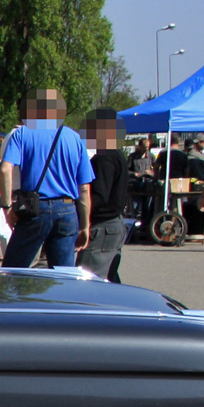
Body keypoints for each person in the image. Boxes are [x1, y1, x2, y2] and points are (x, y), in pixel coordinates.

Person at [0, 88, 94, 269]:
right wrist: (85, 225)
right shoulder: (75, 138)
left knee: (13, 271)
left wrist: (7, 208)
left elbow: (5, 170)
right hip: (67, 208)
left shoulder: (22, 134)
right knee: (63, 275)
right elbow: (84, 189)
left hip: (35, 208)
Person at [78, 109, 131, 282]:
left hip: (102, 226)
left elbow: (100, 196)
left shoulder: (104, 157)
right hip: (113, 223)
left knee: (90, 280)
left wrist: (79, 212)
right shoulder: (115, 154)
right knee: (109, 278)